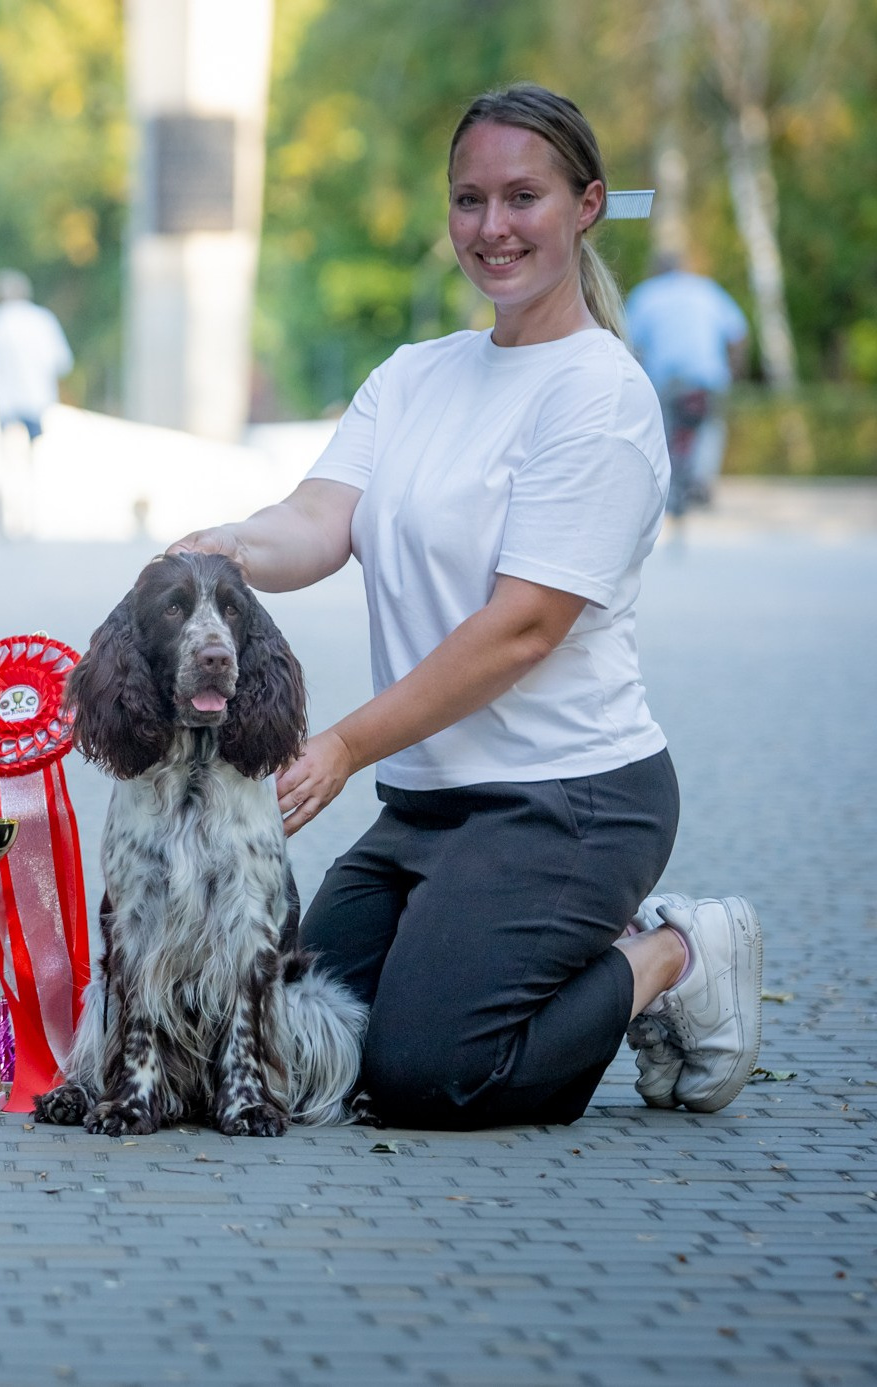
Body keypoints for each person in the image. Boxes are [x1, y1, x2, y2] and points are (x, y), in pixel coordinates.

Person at [174, 84, 761, 1131]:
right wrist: (226, 549)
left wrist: (346, 744)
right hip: (427, 808)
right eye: (469, 200)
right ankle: (513, 941)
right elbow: (317, 518)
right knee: (295, 1041)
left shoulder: (601, 394)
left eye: (522, 197)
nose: (492, 228)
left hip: (570, 799)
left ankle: (673, 951)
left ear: (585, 206)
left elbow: (523, 628)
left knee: (431, 1072)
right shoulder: (416, 376)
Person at [627, 253, 749, 513]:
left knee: (661, 425)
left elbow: (627, 341)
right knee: (711, 424)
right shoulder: (706, 289)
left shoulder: (646, 294)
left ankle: (665, 482)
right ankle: (701, 481)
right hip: (707, 376)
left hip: (666, 378)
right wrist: (733, 372)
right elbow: (738, 333)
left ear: (654, 270)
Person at [0, 270, 72, 536]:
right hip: (36, 399)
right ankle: (33, 519)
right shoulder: (42, 320)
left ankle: (4, 519)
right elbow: (60, 362)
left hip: (5, 402)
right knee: (34, 460)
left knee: (5, 461)